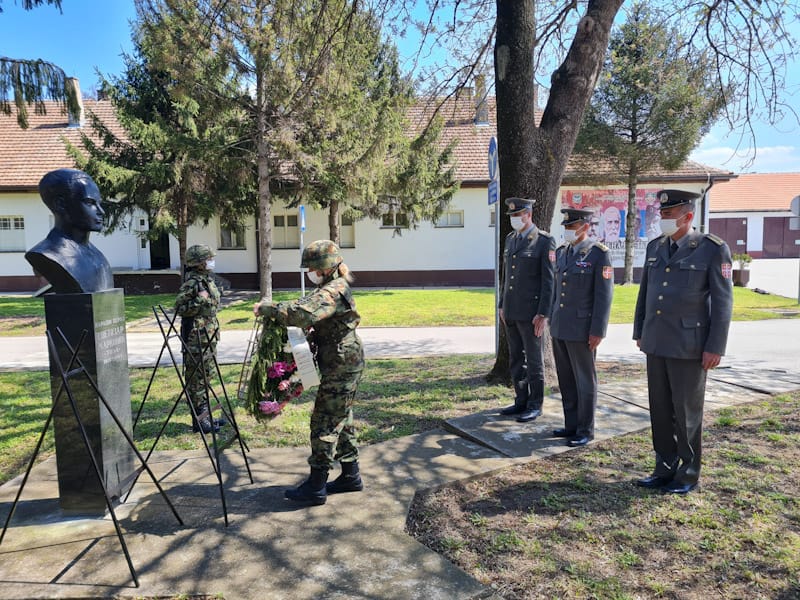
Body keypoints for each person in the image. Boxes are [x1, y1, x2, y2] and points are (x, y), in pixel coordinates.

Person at [633, 189, 733, 494]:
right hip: (657, 341)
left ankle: (688, 473)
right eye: (661, 214)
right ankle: (664, 467)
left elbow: (723, 302)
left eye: (668, 215)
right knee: (660, 409)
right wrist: (640, 331)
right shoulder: (654, 247)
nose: (662, 219)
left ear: (688, 216)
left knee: (687, 412)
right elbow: (646, 293)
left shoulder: (712, 249)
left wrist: (715, 346)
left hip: (690, 345)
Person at [254, 240, 364, 506]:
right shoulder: (332, 286)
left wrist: (269, 308)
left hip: (341, 363)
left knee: (324, 421)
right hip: (342, 360)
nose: (309, 273)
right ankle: (350, 475)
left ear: (324, 267)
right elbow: (307, 305)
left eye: (312, 268)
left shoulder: (333, 291)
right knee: (342, 417)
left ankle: (316, 486)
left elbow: (302, 314)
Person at [550, 208, 614, 447]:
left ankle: (585, 429)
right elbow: (557, 291)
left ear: (585, 227)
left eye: (571, 227)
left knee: (584, 381)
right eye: (565, 227)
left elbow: (604, 296)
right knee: (566, 379)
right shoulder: (562, 252)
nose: (567, 231)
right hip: (560, 326)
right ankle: (571, 424)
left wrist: (598, 330)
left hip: (582, 328)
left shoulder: (598, 255)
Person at [497, 197, 555, 423]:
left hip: (532, 314)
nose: (513, 219)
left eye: (517, 215)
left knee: (534, 360)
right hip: (511, 310)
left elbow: (549, 281)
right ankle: (520, 400)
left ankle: (535, 404)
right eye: (511, 215)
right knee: (515, 360)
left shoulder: (543, 241)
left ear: (528, 214)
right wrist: (502, 304)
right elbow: (506, 277)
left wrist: (543, 313)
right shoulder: (511, 239)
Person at [25, 168, 114, 293]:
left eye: (99, 203)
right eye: (89, 203)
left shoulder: (96, 255)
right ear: (60, 204)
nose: (101, 211)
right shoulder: (48, 254)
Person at [175, 244, 225, 434]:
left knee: (207, 377)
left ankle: (206, 418)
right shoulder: (192, 283)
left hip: (208, 338)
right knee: (197, 380)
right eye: (208, 259)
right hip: (195, 341)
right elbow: (180, 309)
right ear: (199, 263)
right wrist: (200, 300)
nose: (211, 261)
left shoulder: (206, 281)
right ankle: (200, 421)